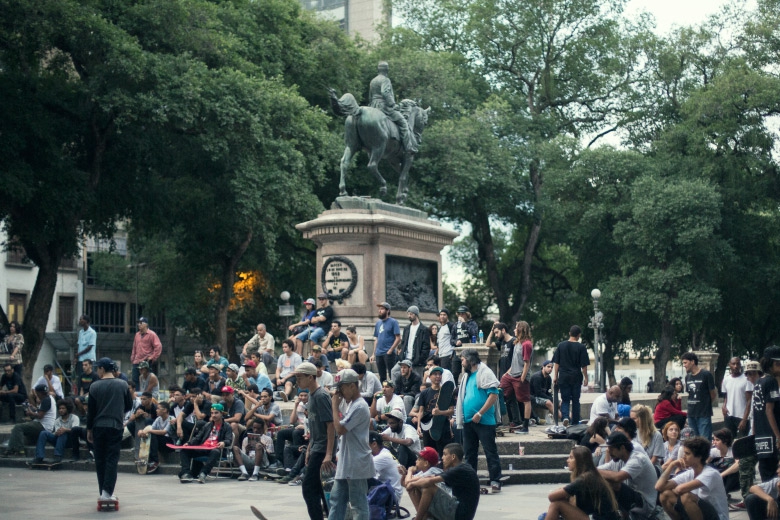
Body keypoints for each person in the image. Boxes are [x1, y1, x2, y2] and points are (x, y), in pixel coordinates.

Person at [329, 368, 375, 520]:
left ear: (352, 386)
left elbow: (340, 429)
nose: (340, 393)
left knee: (358, 504)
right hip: (346, 460)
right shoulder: (350, 404)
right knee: (336, 500)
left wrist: (334, 406)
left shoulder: (360, 406)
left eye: (342, 388)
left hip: (356, 461)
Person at [456, 348, 503, 492]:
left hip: (484, 421)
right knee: (469, 453)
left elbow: (493, 395)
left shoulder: (485, 372)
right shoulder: (466, 376)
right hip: (468, 421)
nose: (461, 362)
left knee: (490, 451)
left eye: (463, 359)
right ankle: (471, 480)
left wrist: (480, 413)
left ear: (470, 360)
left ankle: (495, 480)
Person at [87, 358, 133, 502]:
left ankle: (103, 492)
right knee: (112, 459)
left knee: (100, 459)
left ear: (102, 368)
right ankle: (108, 492)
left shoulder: (94, 386)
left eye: (97, 368)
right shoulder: (123, 384)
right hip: (115, 426)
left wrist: (89, 430)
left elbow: (91, 411)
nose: (97, 371)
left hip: (98, 426)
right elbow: (129, 405)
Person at [295, 361, 335, 520]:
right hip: (316, 447)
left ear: (310, 377)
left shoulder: (321, 395)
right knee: (320, 488)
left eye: (300, 377)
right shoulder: (311, 395)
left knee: (308, 488)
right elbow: (314, 426)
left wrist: (329, 454)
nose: (297, 381)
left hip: (323, 449)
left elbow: (331, 425)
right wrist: (309, 449)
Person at [656, 436, 729, 520]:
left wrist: (675, 489)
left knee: (686, 497)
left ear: (699, 457)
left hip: (717, 517)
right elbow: (658, 487)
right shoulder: (690, 473)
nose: (683, 457)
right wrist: (671, 465)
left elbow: (680, 489)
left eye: (687, 454)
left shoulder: (711, 473)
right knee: (664, 495)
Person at [405, 442, 480, 520]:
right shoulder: (458, 468)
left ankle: (419, 518)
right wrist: (412, 482)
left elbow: (429, 481)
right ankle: (424, 517)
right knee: (419, 486)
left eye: (445, 454)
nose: (442, 458)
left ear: (453, 457)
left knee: (429, 487)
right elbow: (429, 477)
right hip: (456, 509)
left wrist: (411, 484)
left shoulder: (460, 469)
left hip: (460, 514)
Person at [547, 445, 620, 520]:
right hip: (595, 516)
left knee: (556, 504)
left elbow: (552, 497)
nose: (567, 460)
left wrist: (561, 489)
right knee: (568, 499)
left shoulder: (584, 479)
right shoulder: (590, 474)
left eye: (571, 458)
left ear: (579, 461)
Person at [597, 431, 658, 519]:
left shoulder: (637, 459)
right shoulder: (619, 459)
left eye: (611, 449)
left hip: (645, 505)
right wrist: (590, 469)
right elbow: (601, 469)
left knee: (613, 483)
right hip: (631, 500)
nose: (608, 452)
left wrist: (591, 469)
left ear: (622, 448)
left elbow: (617, 477)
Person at [178, 402, 234, 484]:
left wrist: (223, 443)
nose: (213, 415)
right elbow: (198, 438)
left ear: (222, 414)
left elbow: (229, 440)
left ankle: (203, 473)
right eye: (212, 413)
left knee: (215, 451)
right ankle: (186, 473)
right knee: (184, 450)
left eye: (216, 413)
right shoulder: (207, 425)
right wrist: (189, 443)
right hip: (203, 447)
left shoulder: (227, 426)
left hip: (215, 449)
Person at [368, 61, 417, 153]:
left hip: (373, 106)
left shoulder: (373, 80)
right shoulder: (386, 80)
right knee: (403, 123)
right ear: (387, 70)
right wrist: (393, 104)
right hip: (384, 107)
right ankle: (408, 147)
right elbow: (385, 92)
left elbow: (370, 96)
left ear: (378, 69)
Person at [3, 383, 55, 457]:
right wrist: (33, 409)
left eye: (37, 394)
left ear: (40, 393)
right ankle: (10, 450)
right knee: (17, 436)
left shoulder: (46, 400)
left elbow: (40, 416)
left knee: (18, 427)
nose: (36, 396)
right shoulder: (49, 398)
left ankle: (20, 451)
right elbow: (41, 412)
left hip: (43, 426)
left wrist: (31, 413)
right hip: (43, 425)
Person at [500, 320, 533, 433]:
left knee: (525, 400)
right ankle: (504, 420)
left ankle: (526, 426)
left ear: (521, 329)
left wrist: (522, 378)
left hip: (520, 375)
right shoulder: (517, 342)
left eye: (516, 327)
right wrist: (507, 373)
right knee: (500, 390)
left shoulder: (526, 344)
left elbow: (526, 363)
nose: (514, 329)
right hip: (511, 374)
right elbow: (515, 361)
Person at [552, 325, 590, 426]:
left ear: (569, 333)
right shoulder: (581, 347)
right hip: (576, 377)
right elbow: (584, 366)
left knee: (565, 399)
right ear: (579, 335)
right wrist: (586, 378)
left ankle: (565, 417)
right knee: (575, 400)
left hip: (563, 376)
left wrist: (555, 376)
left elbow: (556, 363)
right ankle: (575, 422)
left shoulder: (561, 345)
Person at [752, 345, 780, 481]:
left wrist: (754, 431)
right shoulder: (771, 382)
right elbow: (769, 410)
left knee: (766, 476)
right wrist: (778, 436)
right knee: (774, 475)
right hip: (771, 436)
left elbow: (756, 408)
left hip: (761, 437)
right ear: (772, 363)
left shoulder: (759, 381)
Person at [413, 366, 455, 455]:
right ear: (430, 377)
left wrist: (440, 413)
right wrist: (418, 427)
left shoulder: (446, 392)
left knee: (443, 453)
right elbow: (421, 411)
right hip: (427, 425)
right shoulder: (425, 393)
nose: (438, 376)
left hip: (442, 425)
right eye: (435, 374)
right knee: (429, 453)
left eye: (440, 374)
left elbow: (451, 411)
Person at [682, 351, 717, 440]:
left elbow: (713, 394)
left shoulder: (706, 375)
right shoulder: (688, 377)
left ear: (692, 362)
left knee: (704, 440)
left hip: (703, 414)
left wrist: (705, 405)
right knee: (693, 440)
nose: (684, 365)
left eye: (685, 363)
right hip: (691, 414)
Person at [32, 399, 78, 464]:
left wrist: (65, 430)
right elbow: (57, 432)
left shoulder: (74, 418)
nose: (61, 410)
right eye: (60, 408)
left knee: (63, 432)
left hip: (70, 441)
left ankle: (58, 456)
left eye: (63, 408)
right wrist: (57, 433)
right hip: (59, 441)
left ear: (68, 409)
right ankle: (39, 456)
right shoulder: (57, 420)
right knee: (43, 433)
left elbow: (75, 430)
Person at [396, 306, 430, 379]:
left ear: (416, 314)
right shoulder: (406, 328)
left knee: (417, 378)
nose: (409, 316)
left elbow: (426, 347)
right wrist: (401, 355)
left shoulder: (424, 329)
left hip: (417, 360)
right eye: (408, 314)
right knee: (394, 371)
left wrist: (420, 359)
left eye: (411, 314)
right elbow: (403, 343)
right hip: (405, 358)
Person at [369, 430, 404, 502]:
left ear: (374, 444)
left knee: (363, 479)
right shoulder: (383, 452)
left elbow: (362, 471)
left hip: (392, 494)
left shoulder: (383, 456)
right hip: (388, 489)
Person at [141, 401, 176, 474]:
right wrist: (142, 432)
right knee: (150, 434)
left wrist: (149, 431)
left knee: (152, 434)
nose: (156, 410)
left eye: (158, 408)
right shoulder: (158, 419)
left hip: (170, 444)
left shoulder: (171, 418)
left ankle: (155, 461)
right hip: (160, 442)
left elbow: (164, 432)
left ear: (165, 410)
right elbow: (151, 428)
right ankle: (147, 458)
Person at [372, 302, 401, 383]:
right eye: (379, 309)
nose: (379, 311)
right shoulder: (378, 323)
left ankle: (394, 390)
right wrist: (373, 353)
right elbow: (376, 338)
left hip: (388, 353)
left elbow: (398, 338)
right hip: (379, 353)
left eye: (382, 309)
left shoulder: (393, 322)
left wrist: (391, 350)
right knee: (382, 376)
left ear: (387, 310)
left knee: (392, 374)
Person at [130, 317, 162, 389]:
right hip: (137, 360)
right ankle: (137, 396)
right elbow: (134, 347)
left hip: (146, 361)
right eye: (138, 323)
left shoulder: (152, 334)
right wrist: (132, 357)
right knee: (135, 380)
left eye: (141, 323)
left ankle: (147, 396)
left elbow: (158, 346)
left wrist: (153, 357)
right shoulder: (137, 335)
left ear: (146, 324)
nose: (139, 324)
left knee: (147, 380)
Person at [721, 356, 749, 437]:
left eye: (737, 364)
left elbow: (749, 400)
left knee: (743, 441)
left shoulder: (746, 379)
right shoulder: (726, 379)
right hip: (729, 415)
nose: (735, 366)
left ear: (740, 365)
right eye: (733, 364)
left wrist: (744, 419)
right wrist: (724, 406)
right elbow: (726, 395)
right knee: (728, 440)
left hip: (742, 416)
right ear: (729, 365)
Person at [452, 305, 478, 381]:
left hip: (468, 351)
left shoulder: (472, 323)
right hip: (457, 352)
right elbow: (451, 339)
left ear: (467, 314)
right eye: (459, 314)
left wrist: (465, 324)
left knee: (467, 371)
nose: (461, 315)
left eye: (463, 313)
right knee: (455, 372)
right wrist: (455, 342)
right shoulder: (455, 325)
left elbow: (474, 334)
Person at [709, 428, 739, 494]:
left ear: (725, 441)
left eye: (717, 440)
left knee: (734, 471)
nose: (714, 442)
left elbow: (738, 465)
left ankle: (724, 493)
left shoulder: (733, 451)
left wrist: (721, 475)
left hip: (732, 480)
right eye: (714, 440)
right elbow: (704, 462)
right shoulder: (713, 451)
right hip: (719, 478)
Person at [434, 309, 456, 377]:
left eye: (444, 315)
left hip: (448, 354)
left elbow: (454, 339)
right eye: (441, 315)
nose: (442, 316)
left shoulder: (451, 326)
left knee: (446, 375)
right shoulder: (440, 328)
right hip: (441, 355)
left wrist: (453, 353)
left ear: (447, 316)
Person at [74, 315, 96, 380]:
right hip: (81, 359)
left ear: (86, 321)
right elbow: (79, 345)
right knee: (80, 377)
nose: (80, 321)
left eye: (81, 319)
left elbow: (89, 347)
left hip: (89, 359)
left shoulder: (92, 332)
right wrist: (76, 357)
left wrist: (78, 354)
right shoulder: (81, 332)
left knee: (89, 377)